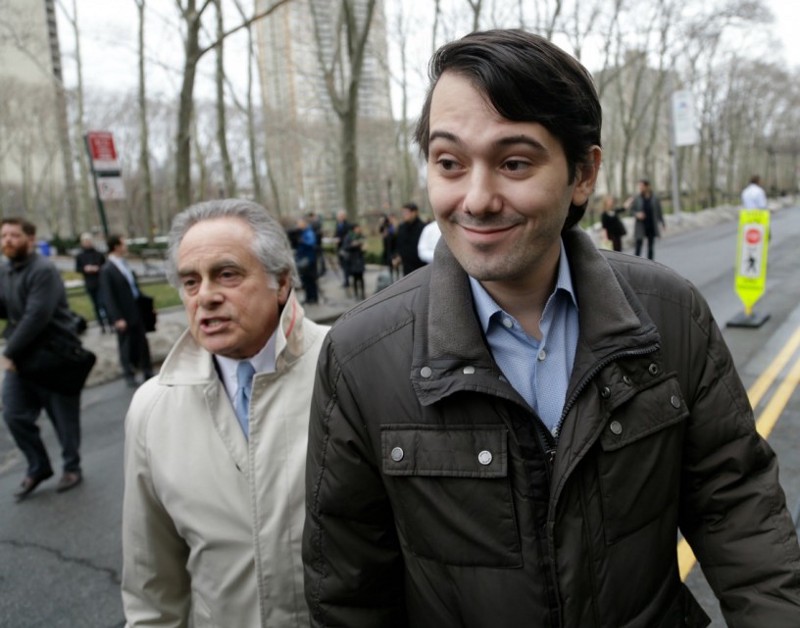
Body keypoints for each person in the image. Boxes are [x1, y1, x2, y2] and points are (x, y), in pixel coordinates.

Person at [303, 29, 800, 627]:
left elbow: (739, 512)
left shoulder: (669, 313)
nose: (477, 198)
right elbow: (351, 594)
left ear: (583, 174)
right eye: (449, 163)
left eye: (514, 162)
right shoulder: (360, 357)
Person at [121, 199, 328, 627]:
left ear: (282, 282)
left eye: (227, 274)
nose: (206, 297)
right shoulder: (152, 408)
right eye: (190, 282)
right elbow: (152, 586)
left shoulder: (348, 369)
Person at [0, 218, 83, 499]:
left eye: (14, 235)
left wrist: (9, 353)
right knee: (13, 414)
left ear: (31, 239)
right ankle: (38, 467)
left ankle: (72, 466)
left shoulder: (43, 270)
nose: (7, 240)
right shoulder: (5, 270)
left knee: (63, 417)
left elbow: (36, 316)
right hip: (22, 358)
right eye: (3, 236)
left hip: (54, 354)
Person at [99, 234, 153, 387]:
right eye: (123, 244)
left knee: (142, 341)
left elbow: (133, 287)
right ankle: (128, 373)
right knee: (126, 344)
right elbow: (108, 296)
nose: (126, 246)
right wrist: (117, 318)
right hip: (123, 313)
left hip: (135, 309)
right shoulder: (107, 269)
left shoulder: (125, 264)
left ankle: (146, 369)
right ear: (116, 246)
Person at [75, 232, 110, 333]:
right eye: (85, 241)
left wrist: (97, 268)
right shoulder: (80, 256)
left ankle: (110, 323)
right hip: (90, 283)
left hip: (100, 282)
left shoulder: (98, 254)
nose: (87, 243)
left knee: (103, 303)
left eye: (89, 241)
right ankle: (102, 325)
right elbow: (78, 268)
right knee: (96, 305)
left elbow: (104, 266)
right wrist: (85, 269)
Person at [631, 178, 665, 259]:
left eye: (642, 186)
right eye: (639, 186)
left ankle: (650, 264)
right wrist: (637, 214)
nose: (640, 188)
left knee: (650, 247)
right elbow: (631, 211)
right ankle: (636, 263)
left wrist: (663, 223)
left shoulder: (655, 198)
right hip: (640, 225)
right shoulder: (637, 198)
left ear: (647, 186)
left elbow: (659, 211)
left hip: (651, 225)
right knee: (638, 246)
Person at [393, 201, 425, 275]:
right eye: (403, 213)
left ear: (414, 213)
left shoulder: (423, 228)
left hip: (421, 268)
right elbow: (398, 245)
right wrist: (397, 256)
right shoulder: (401, 228)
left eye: (406, 213)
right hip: (406, 269)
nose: (403, 215)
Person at [295, 215, 319, 305]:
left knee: (311, 279)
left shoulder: (309, 232)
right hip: (303, 258)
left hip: (309, 259)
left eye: (299, 223)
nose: (298, 225)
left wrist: (303, 241)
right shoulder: (302, 232)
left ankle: (314, 297)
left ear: (304, 223)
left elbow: (311, 243)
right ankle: (308, 297)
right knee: (305, 280)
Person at [344, 223, 366, 300]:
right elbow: (345, 247)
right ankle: (356, 294)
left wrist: (364, 247)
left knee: (361, 277)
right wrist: (352, 245)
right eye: (357, 228)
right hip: (353, 260)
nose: (359, 229)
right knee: (355, 278)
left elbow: (364, 244)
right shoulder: (349, 236)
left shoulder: (361, 236)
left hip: (360, 259)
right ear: (354, 229)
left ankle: (363, 294)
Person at [333, 209, 353, 288]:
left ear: (344, 216)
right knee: (341, 263)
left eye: (341, 216)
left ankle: (347, 281)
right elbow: (336, 234)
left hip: (345, 247)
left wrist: (340, 239)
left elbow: (348, 236)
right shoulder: (337, 224)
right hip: (339, 247)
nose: (339, 218)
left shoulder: (348, 225)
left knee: (345, 264)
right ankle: (346, 278)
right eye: (338, 216)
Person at [378, 213, 399, 280]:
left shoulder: (394, 226)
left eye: (392, 218)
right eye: (389, 218)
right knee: (390, 265)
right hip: (388, 248)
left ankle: (397, 278)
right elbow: (381, 232)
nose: (390, 219)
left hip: (394, 247)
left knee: (396, 265)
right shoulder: (386, 226)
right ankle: (391, 279)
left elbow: (396, 233)